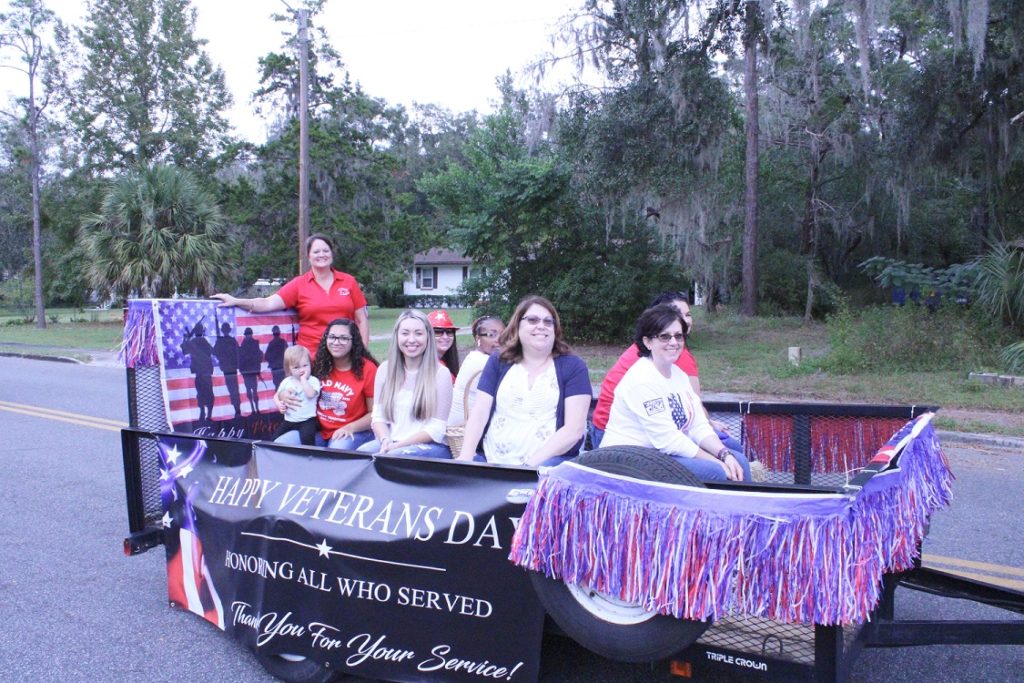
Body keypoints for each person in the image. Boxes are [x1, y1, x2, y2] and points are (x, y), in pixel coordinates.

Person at [601, 304, 751, 482]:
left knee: (739, 460)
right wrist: (718, 463)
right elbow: (668, 441)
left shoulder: (679, 376)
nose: (674, 342)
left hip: (659, 454)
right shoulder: (641, 380)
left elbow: (698, 426)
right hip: (629, 459)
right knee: (715, 472)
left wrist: (725, 455)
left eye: (678, 336)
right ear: (648, 342)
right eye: (664, 336)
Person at [590, 290, 738, 450]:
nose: (685, 320)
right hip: (627, 439)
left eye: (688, 314)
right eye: (676, 314)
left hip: (604, 426)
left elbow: (692, 411)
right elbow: (692, 415)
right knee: (732, 448)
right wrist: (719, 455)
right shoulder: (670, 356)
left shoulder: (651, 350)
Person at [456, 296, 590, 467]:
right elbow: (479, 412)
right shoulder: (499, 360)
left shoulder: (573, 367)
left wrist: (527, 467)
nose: (541, 326)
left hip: (546, 465)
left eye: (548, 322)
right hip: (491, 459)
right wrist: (465, 458)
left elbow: (573, 430)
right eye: (532, 320)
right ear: (517, 325)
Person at [212, 233, 370, 355]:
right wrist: (236, 300)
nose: (321, 255)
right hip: (312, 355)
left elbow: (362, 320)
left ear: (332, 254)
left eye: (325, 251)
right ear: (308, 256)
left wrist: (362, 352)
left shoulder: (349, 282)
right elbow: (267, 303)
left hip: (345, 353)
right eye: (316, 251)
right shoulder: (299, 285)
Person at [357, 310, 453, 458]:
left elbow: (437, 429)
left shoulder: (441, 374)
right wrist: (385, 440)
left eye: (418, 333)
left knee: (394, 457)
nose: (411, 339)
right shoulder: (385, 369)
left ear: (428, 337)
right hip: (390, 441)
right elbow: (378, 417)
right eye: (405, 333)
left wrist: (397, 446)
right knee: (361, 455)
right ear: (397, 336)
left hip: (430, 446)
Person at [311, 318, 378, 450]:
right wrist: (281, 396)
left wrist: (350, 427)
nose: (336, 342)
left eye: (343, 338)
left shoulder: (368, 369)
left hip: (355, 431)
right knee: (284, 443)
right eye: (332, 337)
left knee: (337, 451)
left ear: (354, 342)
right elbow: (291, 383)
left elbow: (375, 414)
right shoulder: (317, 362)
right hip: (319, 430)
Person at [448, 315, 505, 428]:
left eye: (503, 335)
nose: (499, 340)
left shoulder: (474, 356)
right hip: (465, 429)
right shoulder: (482, 361)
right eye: (491, 335)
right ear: (478, 339)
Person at [271, 345, 321, 446]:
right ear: (289, 370)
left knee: (307, 439)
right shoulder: (287, 381)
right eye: (296, 367)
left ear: (310, 365)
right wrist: (279, 405)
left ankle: (310, 458)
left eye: (305, 365)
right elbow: (276, 396)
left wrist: (303, 380)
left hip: (307, 420)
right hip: (289, 420)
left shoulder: (313, 381)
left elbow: (311, 394)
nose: (302, 370)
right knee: (274, 439)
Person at [180, 321, 215, 422]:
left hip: (200, 373)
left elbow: (184, 351)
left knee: (200, 393)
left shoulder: (194, 342)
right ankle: (208, 414)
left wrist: (186, 339)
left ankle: (203, 412)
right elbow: (213, 351)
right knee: (208, 393)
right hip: (206, 373)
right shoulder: (205, 341)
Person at [212, 321, 242, 418]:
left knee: (232, 389)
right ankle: (237, 408)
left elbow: (214, 352)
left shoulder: (221, 341)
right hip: (232, 367)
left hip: (227, 368)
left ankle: (236, 408)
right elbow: (238, 352)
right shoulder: (233, 341)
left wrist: (221, 356)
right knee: (235, 389)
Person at [428, 309, 460, 381]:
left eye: (449, 332)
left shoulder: (445, 362)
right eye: (438, 332)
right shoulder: (433, 367)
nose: (445, 337)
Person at [237, 327, 263, 415]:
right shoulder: (243, 346)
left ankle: (257, 409)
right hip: (247, 372)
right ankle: (253, 409)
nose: (248, 336)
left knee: (254, 391)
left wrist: (258, 371)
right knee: (249, 391)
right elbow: (241, 359)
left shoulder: (254, 344)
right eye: (247, 334)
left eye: (249, 334)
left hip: (253, 371)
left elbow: (258, 357)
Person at [264, 325, 288, 389]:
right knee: (284, 385)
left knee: (278, 386)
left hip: (276, 368)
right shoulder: (283, 342)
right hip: (282, 367)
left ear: (273, 334)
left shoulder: (271, 343)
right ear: (279, 333)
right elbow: (288, 353)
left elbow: (266, 356)